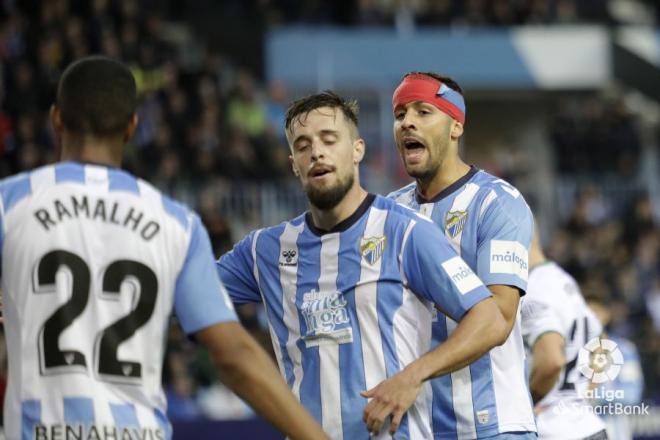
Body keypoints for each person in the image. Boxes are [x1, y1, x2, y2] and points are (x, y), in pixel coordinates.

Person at [0, 56, 327, 440]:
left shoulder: (11, 204)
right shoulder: (175, 223)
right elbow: (234, 356)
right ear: (132, 126)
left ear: (56, 120)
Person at [216, 91, 511, 440]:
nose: (317, 152)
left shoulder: (405, 232)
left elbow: (490, 319)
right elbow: (184, 289)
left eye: (329, 140)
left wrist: (413, 375)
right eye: (303, 145)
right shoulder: (263, 251)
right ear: (294, 163)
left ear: (357, 150)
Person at [388, 72, 536, 439]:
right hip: (417, 427)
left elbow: (498, 319)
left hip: (494, 427)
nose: (407, 121)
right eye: (400, 113)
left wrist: (413, 374)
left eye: (423, 112)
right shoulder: (389, 213)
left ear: (456, 126)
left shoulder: (497, 203)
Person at [521, 227, 607, 439]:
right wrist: (581, 395)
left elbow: (552, 361)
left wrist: (524, 407)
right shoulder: (562, 280)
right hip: (588, 425)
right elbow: (602, 343)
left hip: (554, 429)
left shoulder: (534, 288)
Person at [586, 296, 644, 440]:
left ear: (606, 315)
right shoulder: (572, 350)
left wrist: (592, 395)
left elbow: (632, 395)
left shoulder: (624, 349)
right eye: (587, 312)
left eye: (596, 312)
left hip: (615, 434)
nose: (591, 318)